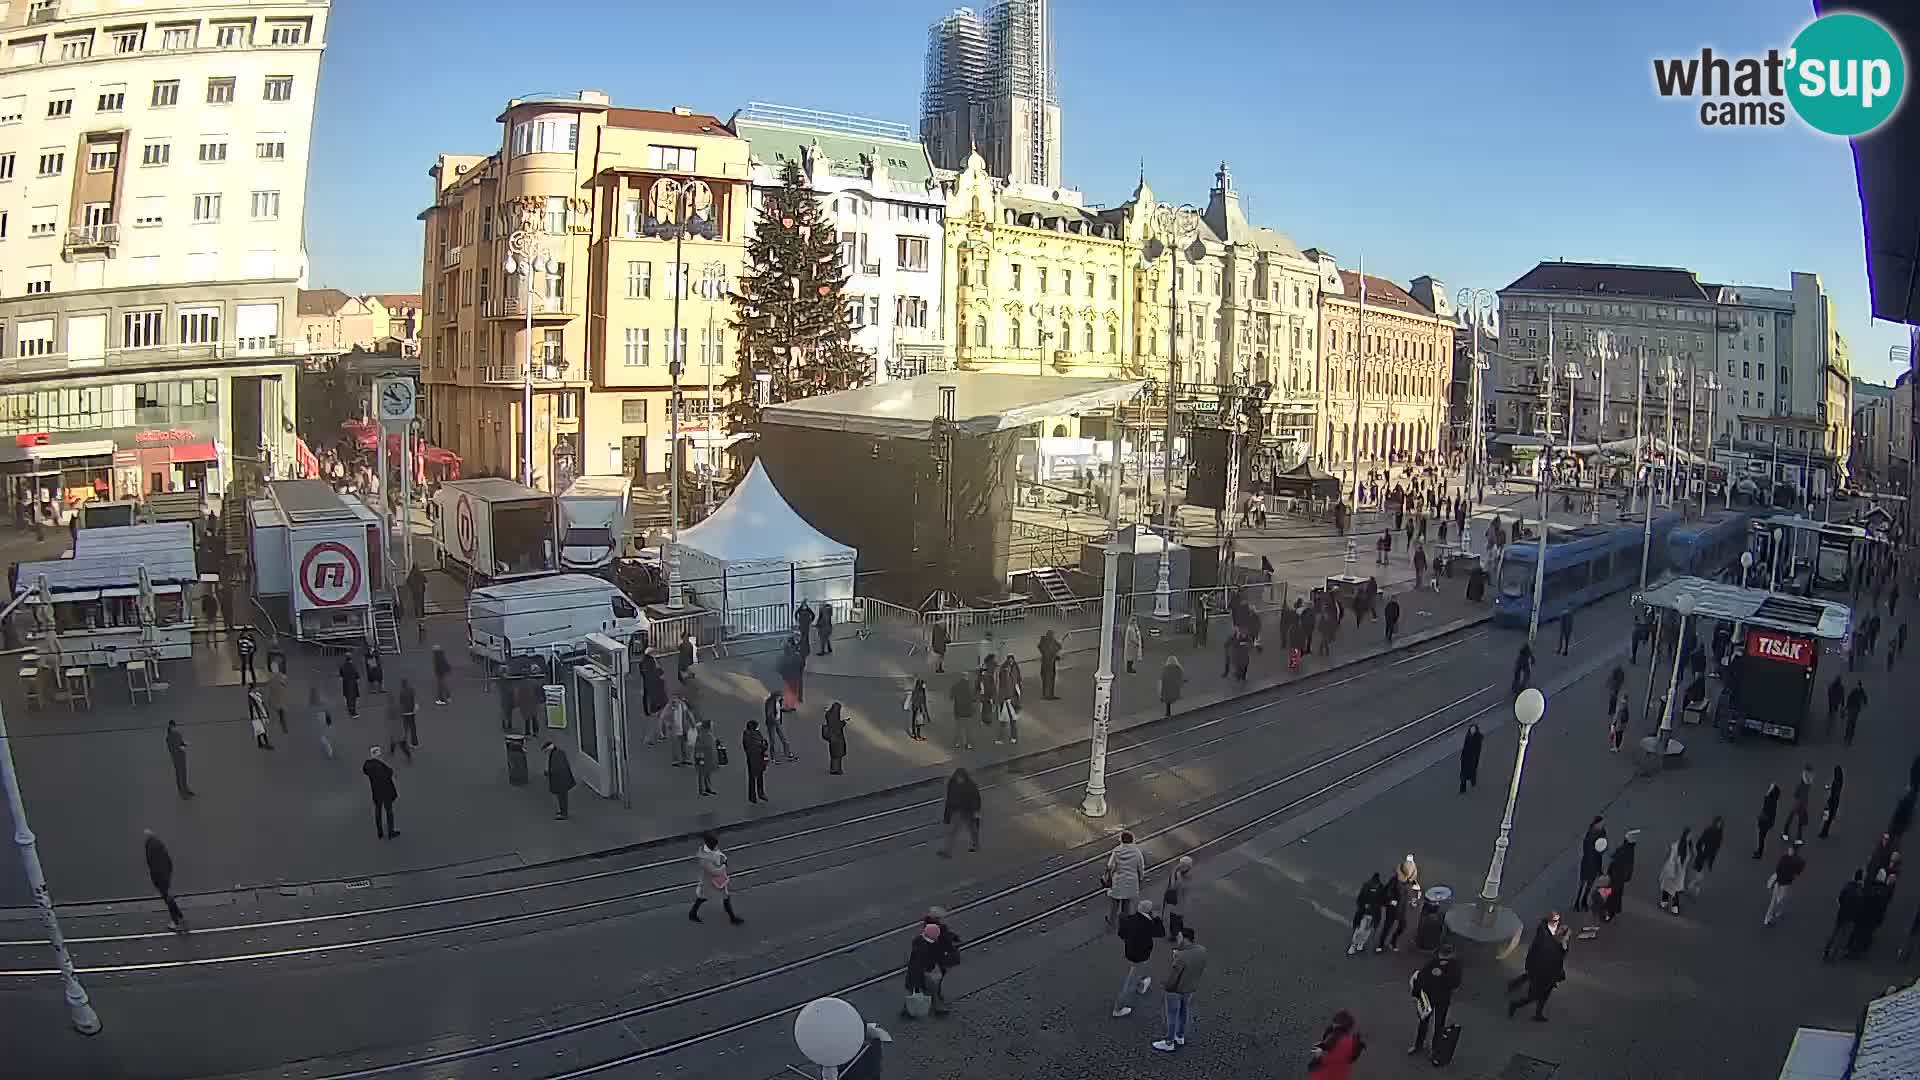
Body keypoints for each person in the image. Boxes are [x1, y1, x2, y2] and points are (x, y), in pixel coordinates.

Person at [1152, 925, 1207, 1052]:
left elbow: (1173, 977)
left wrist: (1166, 986)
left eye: (1179, 937)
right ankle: (1180, 1036)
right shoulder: (1202, 950)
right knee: (1184, 1011)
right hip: (1190, 988)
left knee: (1172, 1015)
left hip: (1176, 990)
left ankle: (1169, 1041)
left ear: (1185, 939)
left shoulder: (1181, 957)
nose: (1177, 938)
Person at [1110, 898, 1166, 1018]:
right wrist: (1157, 919)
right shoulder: (1148, 924)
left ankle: (1140, 983)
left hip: (1130, 951)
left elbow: (1121, 934)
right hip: (1141, 955)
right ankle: (1118, 1008)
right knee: (1130, 982)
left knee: (1137, 970)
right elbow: (1161, 933)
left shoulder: (1129, 919)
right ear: (1149, 912)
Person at [1508, 913, 1568, 1020]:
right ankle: (1516, 1004)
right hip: (1543, 975)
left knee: (1542, 995)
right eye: (1555, 921)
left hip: (1546, 974)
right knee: (1534, 995)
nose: (1558, 924)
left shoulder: (1549, 938)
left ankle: (1538, 1013)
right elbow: (1552, 960)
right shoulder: (1549, 942)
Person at [1408, 943, 1461, 1060]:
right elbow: (1421, 977)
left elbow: (1455, 983)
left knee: (1435, 1024)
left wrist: (1440, 976)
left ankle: (1429, 1048)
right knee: (1428, 1023)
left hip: (1437, 999)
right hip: (1432, 999)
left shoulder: (1453, 966)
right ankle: (1423, 1046)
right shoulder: (1435, 963)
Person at [904, 919, 961, 1018]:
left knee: (920, 990)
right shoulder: (929, 945)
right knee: (930, 988)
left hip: (926, 971)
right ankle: (935, 1006)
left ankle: (911, 1009)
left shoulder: (920, 941)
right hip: (927, 972)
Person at [688, 832, 744, 924]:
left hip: (710, 881)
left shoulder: (706, 850)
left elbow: (719, 855)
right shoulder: (706, 859)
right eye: (716, 845)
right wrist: (724, 865)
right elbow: (715, 871)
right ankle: (732, 918)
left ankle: (692, 913)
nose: (717, 846)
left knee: (703, 897)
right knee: (724, 898)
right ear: (711, 845)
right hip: (713, 881)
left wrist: (723, 859)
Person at [144, 829, 186, 932]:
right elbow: (168, 862)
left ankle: (175, 922)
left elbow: (153, 864)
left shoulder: (152, 847)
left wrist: (156, 877)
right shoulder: (158, 845)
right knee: (167, 896)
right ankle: (179, 915)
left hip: (161, 876)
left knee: (167, 897)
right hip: (164, 873)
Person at [1822, 870, 1865, 962]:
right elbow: (1860, 907)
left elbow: (1840, 899)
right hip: (1851, 917)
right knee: (1843, 937)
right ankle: (1835, 955)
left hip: (1842, 914)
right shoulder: (1860, 891)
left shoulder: (1847, 886)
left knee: (1835, 933)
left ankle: (1827, 950)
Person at [1309, 1010, 1365, 1079]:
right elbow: (1351, 1059)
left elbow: (1317, 1050)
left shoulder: (1334, 1036)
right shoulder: (1352, 1041)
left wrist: (1324, 1035)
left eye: (1334, 1022)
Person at [1105, 831, 1145, 927]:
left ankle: (1112, 921)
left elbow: (1110, 866)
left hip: (1118, 880)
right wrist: (1141, 878)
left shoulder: (1117, 851)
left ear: (1121, 840)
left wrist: (1108, 876)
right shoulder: (1136, 851)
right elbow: (1140, 866)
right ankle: (1124, 922)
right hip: (1131, 881)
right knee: (1126, 903)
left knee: (1115, 903)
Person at [938, 767, 981, 857]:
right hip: (957, 811)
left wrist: (976, 812)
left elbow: (976, 799)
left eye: (961, 778)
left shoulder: (970, 785)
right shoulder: (952, 784)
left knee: (973, 830)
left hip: (968, 811)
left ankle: (976, 845)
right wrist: (947, 815)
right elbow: (949, 799)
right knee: (952, 831)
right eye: (958, 778)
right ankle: (947, 851)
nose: (959, 779)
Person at [1763, 839, 1807, 926]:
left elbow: (1780, 869)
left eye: (1790, 850)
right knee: (1775, 901)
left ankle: (1777, 912)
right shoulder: (1790, 859)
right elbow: (1779, 869)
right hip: (1782, 882)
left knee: (1780, 899)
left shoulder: (1794, 860)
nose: (1789, 851)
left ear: (1794, 851)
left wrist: (1774, 879)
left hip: (1784, 883)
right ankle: (1768, 918)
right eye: (1789, 849)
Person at [362, 746, 398, 839]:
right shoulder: (381, 766)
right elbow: (390, 773)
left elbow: (365, 770)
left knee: (378, 811)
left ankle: (380, 832)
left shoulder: (368, 765)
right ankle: (391, 832)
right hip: (386, 792)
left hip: (376, 792)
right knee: (389, 812)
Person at [1603, 830, 1638, 922]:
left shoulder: (1623, 849)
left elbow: (1614, 859)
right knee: (1617, 894)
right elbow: (1630, 864)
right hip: (1621, 877)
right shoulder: (1630, 850)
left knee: (1612, 894)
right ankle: (1613, 911)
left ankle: (1609, 913)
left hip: (1616, 875)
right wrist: (1628, 876)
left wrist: (1609, 871)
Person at [1574, 815, 1607, 912]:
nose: (1602, 826)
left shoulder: (1602, 832)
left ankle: (1584, 901)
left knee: (1589, 884)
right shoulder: (1590, 835)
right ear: (1596, 824)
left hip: (1595, 863)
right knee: (1582, 883)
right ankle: (1577, 902)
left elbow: (1603, 846)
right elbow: (1588, 850)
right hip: (1588, 863)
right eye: (1600, 824)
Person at [1658, 827, 1692, 914]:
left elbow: (1672, 853)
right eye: (1690, 835)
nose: (1691, 837)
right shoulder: (1683, 846)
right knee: (1673, 889)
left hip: (1674, 870)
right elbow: (1679, 860)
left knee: (1669, 887)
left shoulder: (1682, 845)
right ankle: (1673, 908)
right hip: (1676, 870)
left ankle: (1666, 904)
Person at [1349, 873, 1385, 955]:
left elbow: (1360, 899)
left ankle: (1356, 945)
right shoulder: (1378, 888)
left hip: (1368, 913)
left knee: (1364, 930)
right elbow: (1360, 899)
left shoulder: (1367, 886)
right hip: (1368, 914)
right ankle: (1355, 945)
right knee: (1363, 930)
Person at [1161, 855, 1196, 938]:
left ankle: (1175, 934)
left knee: (1174, 918)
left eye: (1181, 864)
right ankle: (1179, 931)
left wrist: (1174, 871)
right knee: (1179, 918)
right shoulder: (1187, 875)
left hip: (1178, 902)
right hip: (1183, 902)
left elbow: (1173, 887)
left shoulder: (1180, 877)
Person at [1691, 816, 1724, 895]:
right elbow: (1700, 841)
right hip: (1703, 854)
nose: (1719, 825)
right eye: (1718, 823)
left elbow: (1716, 848)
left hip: (1709, 856)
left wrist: (1711, 862)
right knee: (1698, 872)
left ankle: (1693, 889)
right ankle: (1691, 888)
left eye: (1720, 824)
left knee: (1700, 875)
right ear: (1715, 823)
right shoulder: (1709, 830)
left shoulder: (1720, 834)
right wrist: (1699, 850)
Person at [544, 740, 576, 819]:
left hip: (561, 780)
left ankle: (563, 813)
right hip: (565, 778)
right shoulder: (559, 752)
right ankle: (562, 811)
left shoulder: (555, 755)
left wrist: (548, 773)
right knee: (562, 797)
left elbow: (556, 769)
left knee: (562, 797)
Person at [165, 719, 194, 799]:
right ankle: (181, 792)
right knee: (179, 774)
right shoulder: (169, 737)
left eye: (174, 726)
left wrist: (185, 744)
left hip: (182, 756)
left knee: (184, 773)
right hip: (176, 757)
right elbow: (172, 749)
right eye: (172, 726)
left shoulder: (178, 734)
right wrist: (180, 747)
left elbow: (181, 743)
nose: (173, 727)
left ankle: (186, 788)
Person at [996, 655, 1022, 743]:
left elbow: (1015, 688)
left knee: (1010, 720)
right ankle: (1006, 738)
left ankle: (1009, 738)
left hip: (1009, 700)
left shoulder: (1010, 672)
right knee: (1007, 720)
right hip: (1007, 699)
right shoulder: (1006, 671)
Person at [743, 719, 770, 804]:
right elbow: (762, 745)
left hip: (755, 758)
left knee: (757, 777)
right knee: (756, 777)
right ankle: (757, 795)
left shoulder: (750, 734)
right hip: (755, 758)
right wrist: (763, 745)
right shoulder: (751, 735)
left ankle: (756, 795)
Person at [948, 674, 976, 750]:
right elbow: (974, 699)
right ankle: (968, 744)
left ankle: (957, 743)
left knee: (958, 728)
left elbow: (951, 697)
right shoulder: (970, 687)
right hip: (968, 711)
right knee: (968, 728)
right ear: (966, 678)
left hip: (958, 710)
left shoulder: (955, 686)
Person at [1754, 782, 1781, 860]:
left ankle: (1759, 854)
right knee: (1762, 838)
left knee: (1761, 838)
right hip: (1768, 822)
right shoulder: (1774, 800)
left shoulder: (1770, 800)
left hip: (1765, 822)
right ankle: (1759, 852)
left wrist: (1770, 788)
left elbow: (1766, 796)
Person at [691, 718, 716, 797]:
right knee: (701, 773)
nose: (712, 727)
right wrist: (699, 759)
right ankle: (702, 789)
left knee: (708, 773)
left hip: (708, 757)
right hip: (702, 757)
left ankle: (708, 787)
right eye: (711, 726)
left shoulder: (709, 734)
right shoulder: (702, 735)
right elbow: (698, 748)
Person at [822, 702, 848, 775]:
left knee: (834, 756)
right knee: (837, 756)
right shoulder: (834, 717)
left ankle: (834, 768)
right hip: (837, 739)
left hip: (833, 739)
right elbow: (837, 725)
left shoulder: (830, 715)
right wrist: (844, 722)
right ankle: (836, 769)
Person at [1458, 723, 1483, 794]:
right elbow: (1465, 746)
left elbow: (1477, 750)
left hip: (1472, 758)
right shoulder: (1469, 736)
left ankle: (1471, 782)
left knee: (1471, 771)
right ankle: (1463, 787)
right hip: (1466, 758)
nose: (1472, 731)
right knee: (1464, 773)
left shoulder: (1477, 738)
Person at [246, 685, 273, 750]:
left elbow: (262, 704)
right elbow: (254, 706)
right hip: (257, 715)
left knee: (259, 730)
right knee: (262, 730)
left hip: (258, 715)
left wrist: (266, 713)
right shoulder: (251, 696)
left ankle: (260, 743)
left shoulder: (256, 695)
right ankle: (266, 744)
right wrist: (260, 714)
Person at [1038, 629, 1062, 699]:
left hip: (1047, 665)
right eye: (1053, 635)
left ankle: (1048, 694)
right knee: (1048, 680)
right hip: (1048, 666)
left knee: (1047, 680)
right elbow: (1051, 652)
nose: (1054, 636)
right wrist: (1056, 655)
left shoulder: (1045, 642)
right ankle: (1048, 695)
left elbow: (1050, 652)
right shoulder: (1048, 643)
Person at [1159, 654, 1184, 719]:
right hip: (1174, 688)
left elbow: (1162, 679)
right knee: (1172, 698)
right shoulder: (1178, 669)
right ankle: (1170, 712)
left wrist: (1161, 694)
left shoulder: (1165, 669)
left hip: (1167, 689)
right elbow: (1180, 679)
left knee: (1168, 700)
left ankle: (1168, 712)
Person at [266, 665, 289, 734]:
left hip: (274, 700)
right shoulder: (283, 677)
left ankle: (273, 726)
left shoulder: (271, 678)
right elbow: (284, 685)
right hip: (280, 700)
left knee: (275, 713)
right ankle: (283, 726)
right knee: (281, 713)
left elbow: (270, 689)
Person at [339, 653, 361, 719]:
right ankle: (353, 712)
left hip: (346, 684)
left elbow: (341, 675)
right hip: (353, 684)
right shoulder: (353, 666)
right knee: (353, 699)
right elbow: (357, 676)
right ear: (351, 658)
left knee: (348, 698)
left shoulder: (342, 666)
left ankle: (350, 710)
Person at [399, 679, 419, 748]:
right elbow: (414, 699)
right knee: (413, 728)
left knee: (405, 728)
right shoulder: (411, 690)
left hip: (405, 713)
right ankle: (415, 743)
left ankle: (404, 741)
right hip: (411, 712)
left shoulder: (402, 692)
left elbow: (401, 703)